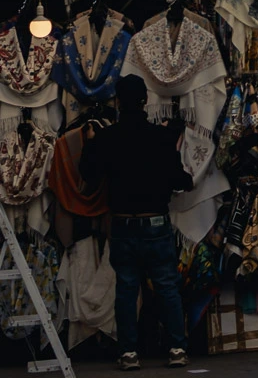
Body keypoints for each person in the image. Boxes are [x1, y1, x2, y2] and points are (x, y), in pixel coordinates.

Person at [80, 73, 193, 372]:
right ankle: (177, 348)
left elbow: (89, 176)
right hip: (155, 224)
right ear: (145, 101)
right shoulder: (161, 137)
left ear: (118, 102)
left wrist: (91, 143)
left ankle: (129, 352)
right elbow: (181, 180)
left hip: (122, 225)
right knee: (167, 287)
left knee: (127, 290)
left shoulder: (106, 138)